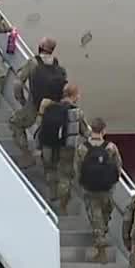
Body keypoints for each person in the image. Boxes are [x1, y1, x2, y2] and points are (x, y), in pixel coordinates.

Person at [9, 38, 68, 169]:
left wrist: (21, 99)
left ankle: (26, 155)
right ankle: (48, 161)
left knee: (15, 124)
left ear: (41, 46)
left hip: (34, 105)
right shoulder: (58, 65)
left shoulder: (33, 63)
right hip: (52, 107)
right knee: (49, 134)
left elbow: (18, 83)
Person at [75, 118, 122, 263]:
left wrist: (82, 183)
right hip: (106, 189)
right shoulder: (111, 147)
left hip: (90, 189)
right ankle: (102, 236)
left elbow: (77, 168)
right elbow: (118, 167)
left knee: (95, 217)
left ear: (91, 130)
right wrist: (112, 182)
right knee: (105, 215)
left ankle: (101, 249)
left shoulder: (82, 148)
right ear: (104, 130)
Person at [37, 83, 85, 217]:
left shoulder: (49, 107)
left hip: (48, 143)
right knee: (65, 177)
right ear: (74, 96)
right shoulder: (76, 112)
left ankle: (52, 191)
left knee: (50, 168)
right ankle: (62, 206)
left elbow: (40, 123)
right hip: (66, 148)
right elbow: (85, 132)